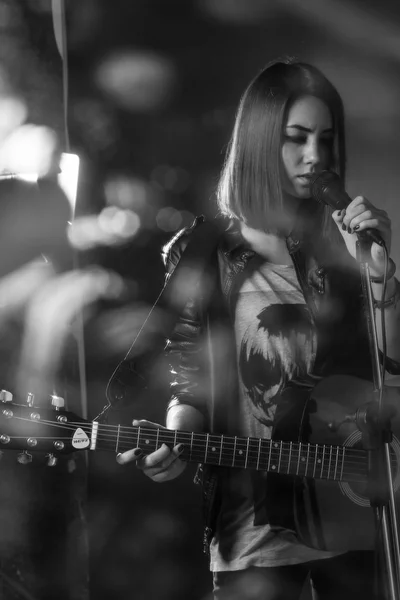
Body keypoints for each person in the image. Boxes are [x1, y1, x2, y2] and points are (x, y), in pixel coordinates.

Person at [116, 58, 400, 599]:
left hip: (360, 530)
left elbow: (390, 373)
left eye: (325, 139)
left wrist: (379, 276)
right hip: (255, 541)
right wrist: (179, 435)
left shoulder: (343, 254)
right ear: (260, 141)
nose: (314, 156)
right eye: (295, 139)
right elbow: (189, 374)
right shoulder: (206, 253)